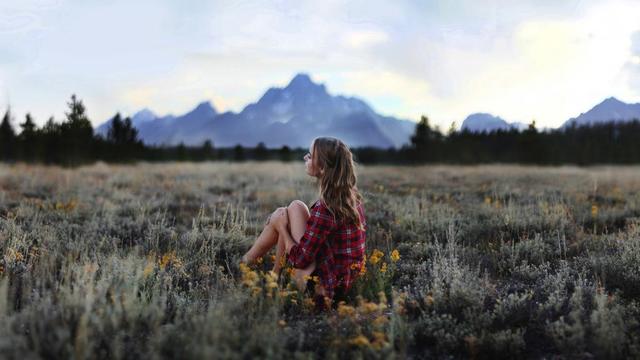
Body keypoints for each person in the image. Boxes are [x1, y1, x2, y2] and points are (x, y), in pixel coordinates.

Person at [241, 136, 366, 308]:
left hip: (323, 290)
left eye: (310, 155)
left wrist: (282, 228)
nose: (305, 159)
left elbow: (300, 259)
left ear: (322, 167)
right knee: (294, 208)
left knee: (282, 218)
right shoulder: (350, 197)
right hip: (339, 280)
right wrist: (284, 221)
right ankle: (273, 276)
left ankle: (247, 267)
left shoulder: (327, 207)